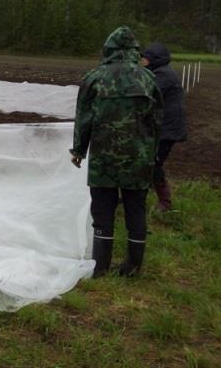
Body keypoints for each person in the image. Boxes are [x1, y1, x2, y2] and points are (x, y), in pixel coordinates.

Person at [70, 26, 163, 278]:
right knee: (136, 209)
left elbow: (84, 118)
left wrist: (78, 150)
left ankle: (100, 267)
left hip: (104, 160)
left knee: (103, 211)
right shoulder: (148, 78)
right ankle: (133, 268)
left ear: (108, 49)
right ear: (134, 50)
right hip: (139, 159)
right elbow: (157, 120)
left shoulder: (94, 78)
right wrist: (152, 154)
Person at [141, 42, 187, 212]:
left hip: (167, 130)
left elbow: (146, 94)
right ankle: (137, 196)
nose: (142, 60)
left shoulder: (163, 76)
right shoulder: (158, 72)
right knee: (146, 162)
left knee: (153, 163)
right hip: (162, 128)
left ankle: (165, 203)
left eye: (145, 57)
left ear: (155, 59)